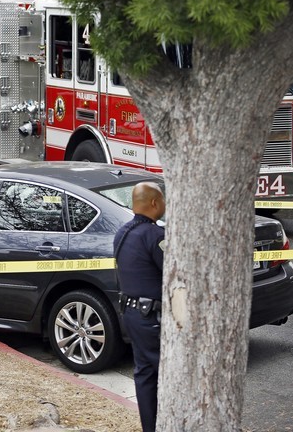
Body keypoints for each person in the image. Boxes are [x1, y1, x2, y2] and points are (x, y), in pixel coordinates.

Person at [112, 181, 166, 432]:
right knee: (167, 374)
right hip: (152, 318)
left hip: (132, 314)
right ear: (155, 203)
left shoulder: (121, 233)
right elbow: (172, 273)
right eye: (163, 200)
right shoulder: (156, 235)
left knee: (145, 374)